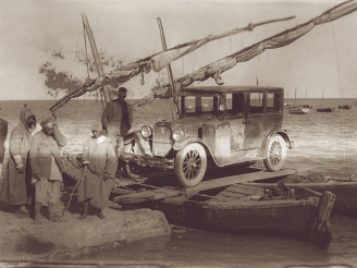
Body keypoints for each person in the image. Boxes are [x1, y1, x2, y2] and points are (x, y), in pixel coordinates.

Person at [0, 106, 36, 217]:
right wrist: (19, 162)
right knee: (18, 184)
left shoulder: (26, 131)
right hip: (18, 162)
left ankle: (24, 203)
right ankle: (19, 206)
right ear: (23, 118)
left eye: (32, 118)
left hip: (26, 161)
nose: (31, 121)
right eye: (28, 119)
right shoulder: (18, 130)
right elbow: (14, 148)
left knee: (25, 184)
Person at [29, 117, 67, 223]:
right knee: (40, 193)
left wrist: (56, 131)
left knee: (54, 194)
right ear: (44, 128)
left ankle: (51, 215)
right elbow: (32, 155)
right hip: (42, 170)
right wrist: (36, 171)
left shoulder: (54, 135)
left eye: (52, 128)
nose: (51, 131)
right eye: (49, 129)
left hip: (55, 169)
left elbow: (64, 142)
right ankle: (37, 217)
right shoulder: (37, 137)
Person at [78, 123, 118, 219]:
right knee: (86, 190)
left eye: (96, 131)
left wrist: (108, 172)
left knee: (101, 192)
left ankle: (100, 211)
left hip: (101, 171)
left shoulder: (107, 144)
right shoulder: (89, 141)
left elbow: (112, 159)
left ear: (101, 132)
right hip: (89, 169)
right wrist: (85, 160)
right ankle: (85, 212)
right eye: (93, 131)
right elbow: (84, 152)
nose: (95, 133)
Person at [101, 86, 132, 152]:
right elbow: (104, 117)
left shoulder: (128, 106)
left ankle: (118, 161)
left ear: (125, 96)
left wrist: (127, 128)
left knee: (120, 149)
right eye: (120, 96)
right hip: (112, 128)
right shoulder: (111, 104)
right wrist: (108, 127)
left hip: (123, 130)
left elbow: (130, 119)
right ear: (118, 95)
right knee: (111, 149)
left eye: (123, 96)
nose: (121, 98)